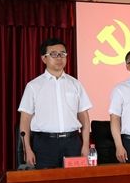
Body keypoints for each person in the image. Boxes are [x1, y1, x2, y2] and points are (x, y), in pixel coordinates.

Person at [18, 38, 92, 169]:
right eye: (54, 54)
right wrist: (27, 149)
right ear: (44, 58)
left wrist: (85, 144)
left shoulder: (75, 84)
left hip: (72, 142)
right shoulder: (33, 86)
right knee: (46, 181)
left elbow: (84, 118)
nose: (59, 58)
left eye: (62, 54)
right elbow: (25, 120)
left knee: (74, 180)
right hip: (44, 144)